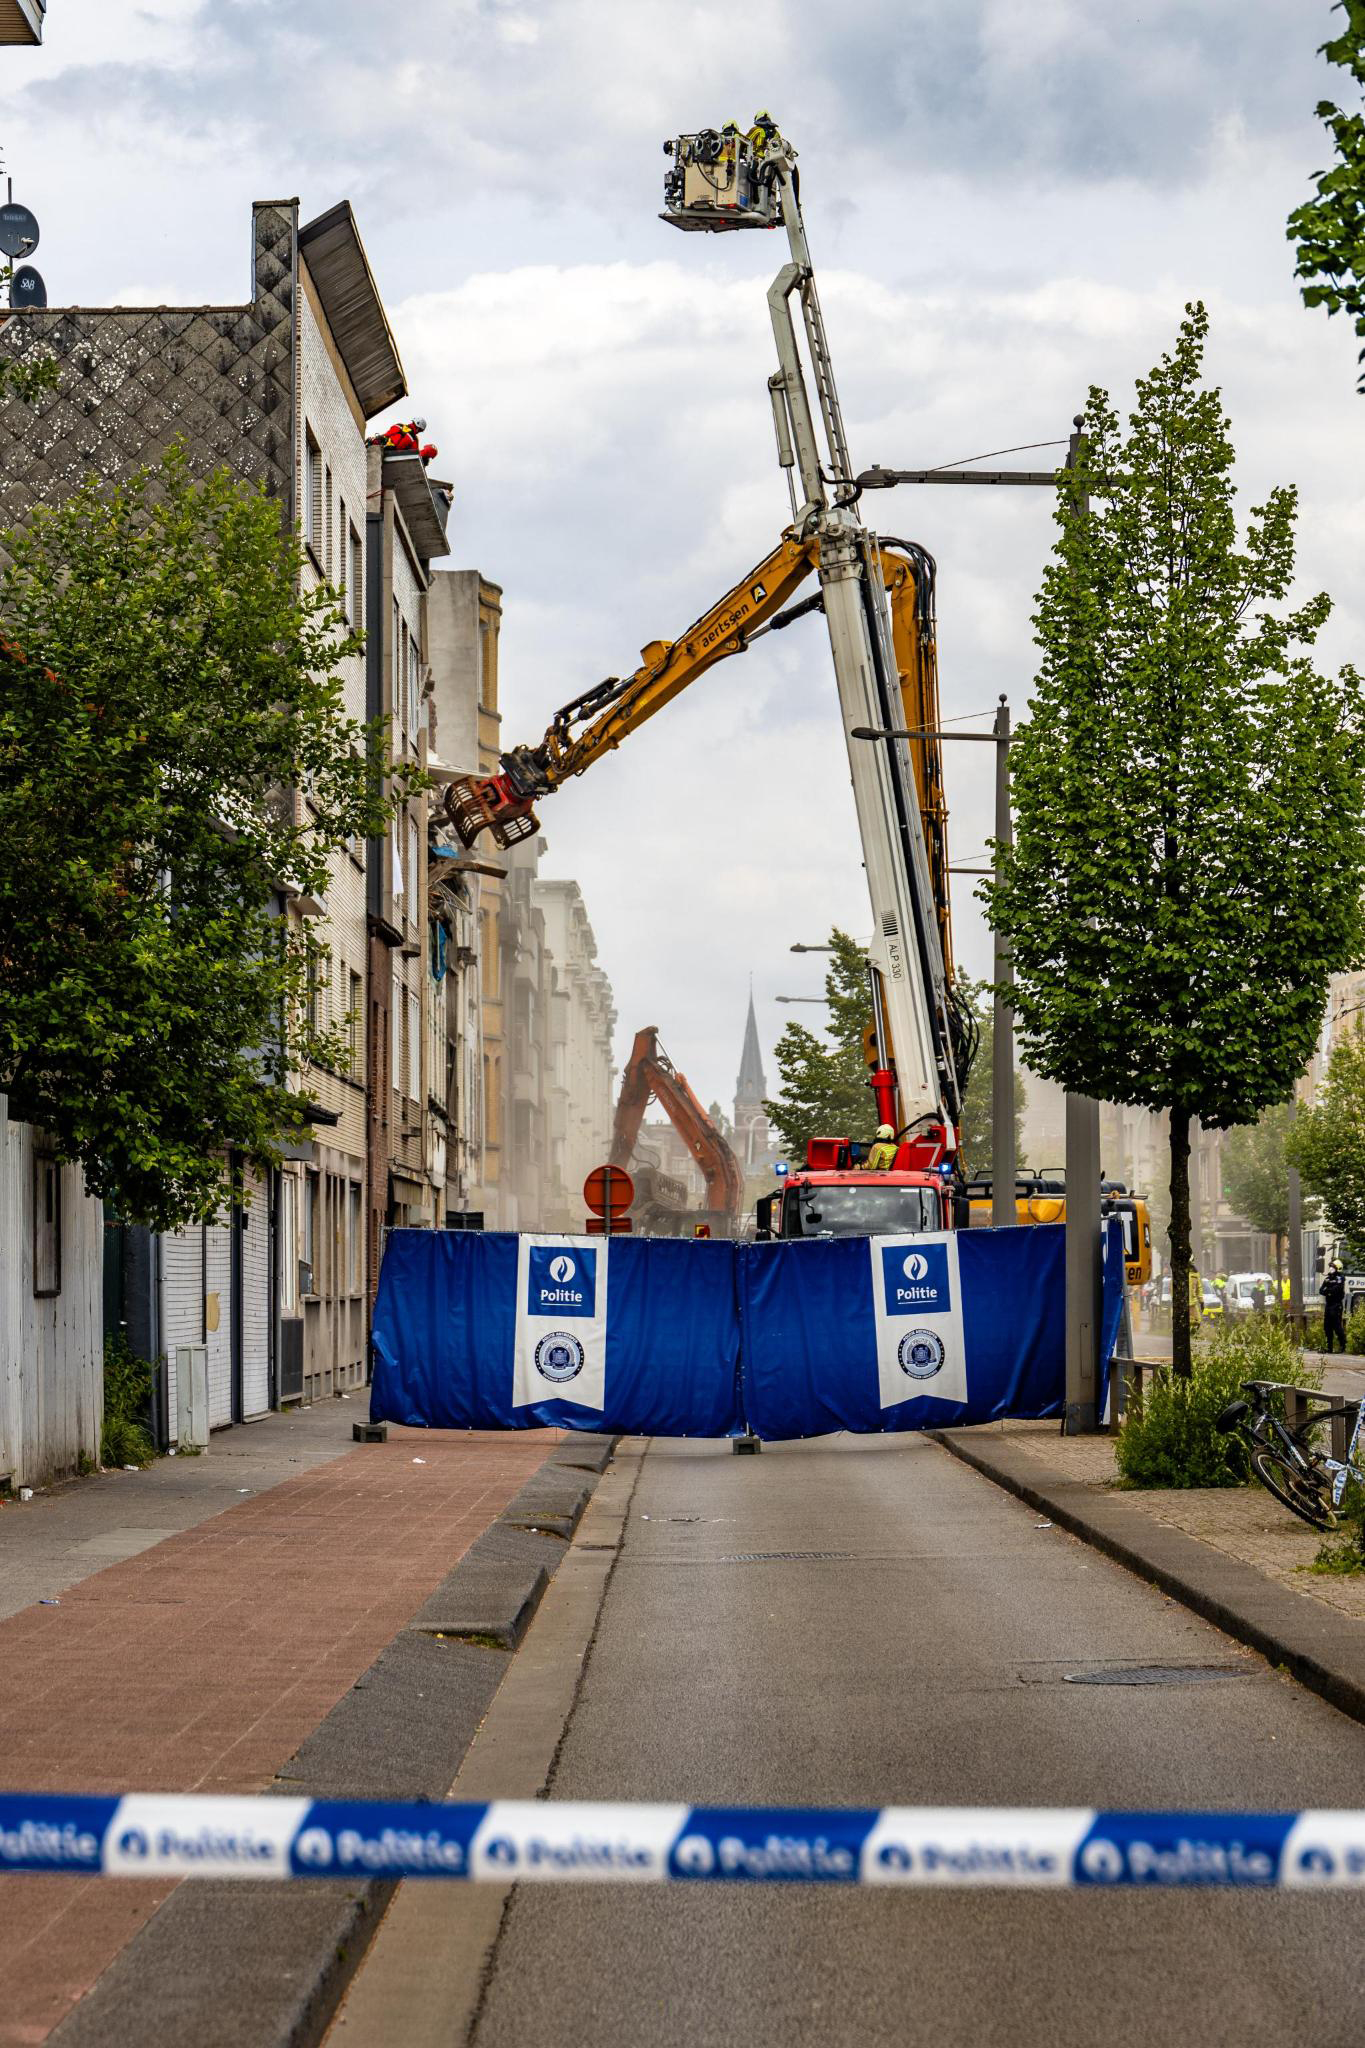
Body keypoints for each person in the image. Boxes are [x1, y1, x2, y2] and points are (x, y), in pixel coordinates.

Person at [1322, 1261, 1348, 1355]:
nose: (1330, 1269)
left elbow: (1337, 1289)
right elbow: (1321, 1290)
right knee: (1327, 1327)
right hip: (1328, 1305)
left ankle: (1343, 1346)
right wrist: (1329, 1291)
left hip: (1336, 1305)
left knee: (1337, 1327)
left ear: (1338, 1268)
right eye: (1330, 1267)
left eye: (1333, 1267)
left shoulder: (1340, 1278)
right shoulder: (1327, 1279)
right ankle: (1329, 1347)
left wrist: (1328, 1290)